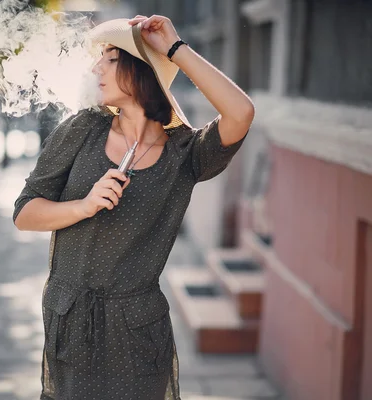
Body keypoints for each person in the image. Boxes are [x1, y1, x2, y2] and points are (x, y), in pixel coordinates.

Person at [13, 15, 254, 400]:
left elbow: (241, 113)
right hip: (71, 322)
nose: (96, 67)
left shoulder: (185, 154)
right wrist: (85, 205)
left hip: (137, 334)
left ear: (140, 70)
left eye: (110, 57)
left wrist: (174, 49)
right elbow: (25, 214)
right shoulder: (83, 128)